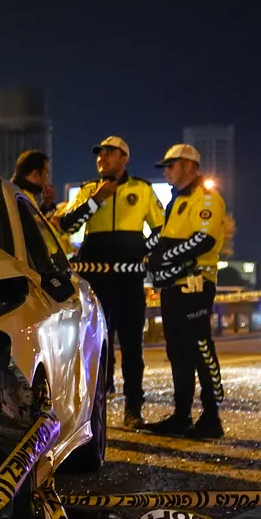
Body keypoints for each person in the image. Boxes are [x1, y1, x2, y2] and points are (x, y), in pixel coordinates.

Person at [56, 136, 165, 428]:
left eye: (109, 153)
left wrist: (142, 249)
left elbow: (162, 227)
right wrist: (97, 199)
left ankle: (133, 409)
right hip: (97, 280)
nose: (102, 158)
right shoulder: (89, 190)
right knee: (95, 347)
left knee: (132, 346)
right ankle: (95, 411)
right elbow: (68, 225)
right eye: (99, 154)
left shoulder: (142, 189)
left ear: (124, 158)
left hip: (130, 279)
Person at [144, 144, 226, 438]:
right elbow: (165, 239)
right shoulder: (175, 201)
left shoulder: (206, 197)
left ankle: (212, 417)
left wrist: (164, 257)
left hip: (196, 285)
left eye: (171, 165)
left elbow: (203, 240)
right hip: (173, 287)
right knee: (177, 351)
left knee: (201, 348)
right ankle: (182, 415)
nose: (166, 171)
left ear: (189, 165)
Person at [12, 150, 71, 253]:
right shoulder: (20, 198)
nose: (47, 179)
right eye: (46, 174)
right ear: (35, 174)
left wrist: (46, 205)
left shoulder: (21, 194)